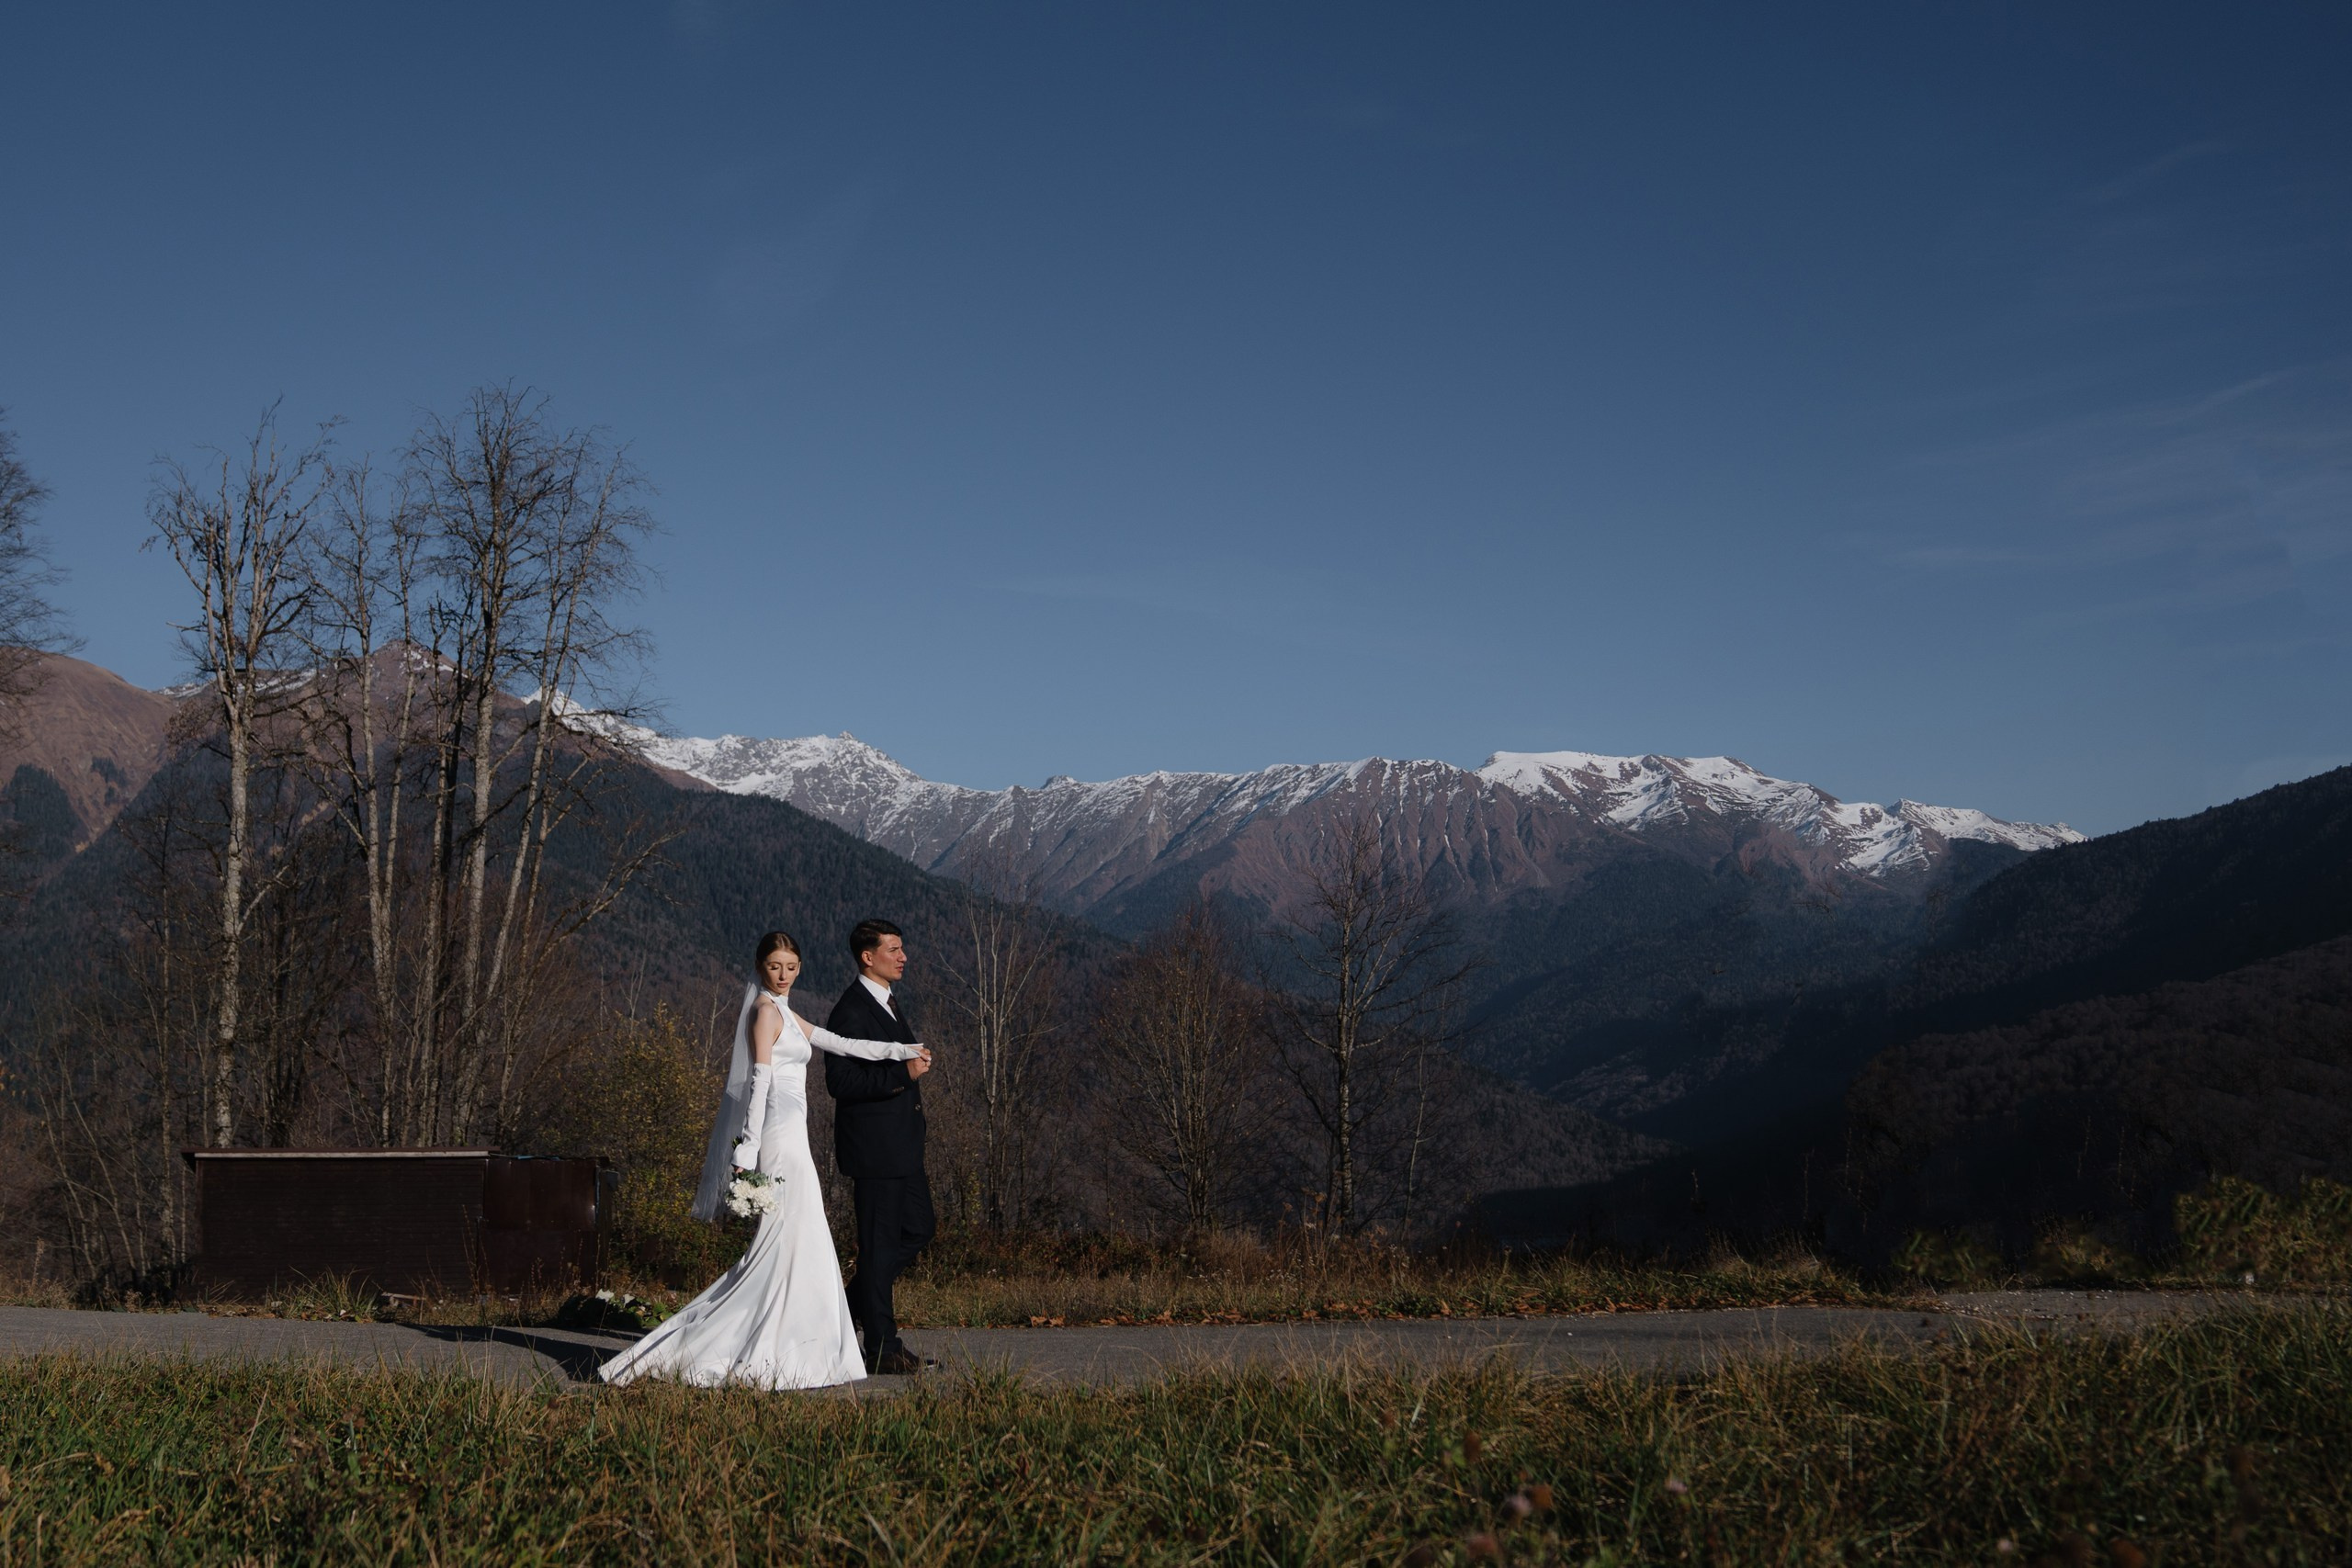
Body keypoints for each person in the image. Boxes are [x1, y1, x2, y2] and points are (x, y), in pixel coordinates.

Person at [598, 931, 929, 1390]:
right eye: (776, 967)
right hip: (776, 1139)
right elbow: (758, 1087)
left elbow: (844, 1043)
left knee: (799, 1243)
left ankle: (801, 1342)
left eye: (791, 967)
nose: (784, 975)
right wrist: (747, 1150)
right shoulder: (763, 1015)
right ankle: (751, 1343)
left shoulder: (788, 1014)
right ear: (760, 968)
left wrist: (901, 1051)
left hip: (796, 1138)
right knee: (784, 1241)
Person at [825, 918, 936, 1375]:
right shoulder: (851, 1011)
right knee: (878, 1245)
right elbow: (840, 1082)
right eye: (893, 948)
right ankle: (881, 1346)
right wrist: (901, 1075)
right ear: (868, 957)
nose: (903, 955)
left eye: (902, 947)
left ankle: (848, 1309)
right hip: (875, 1149)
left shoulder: (888, 1002)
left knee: (918, 1229)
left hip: (901, 1146)